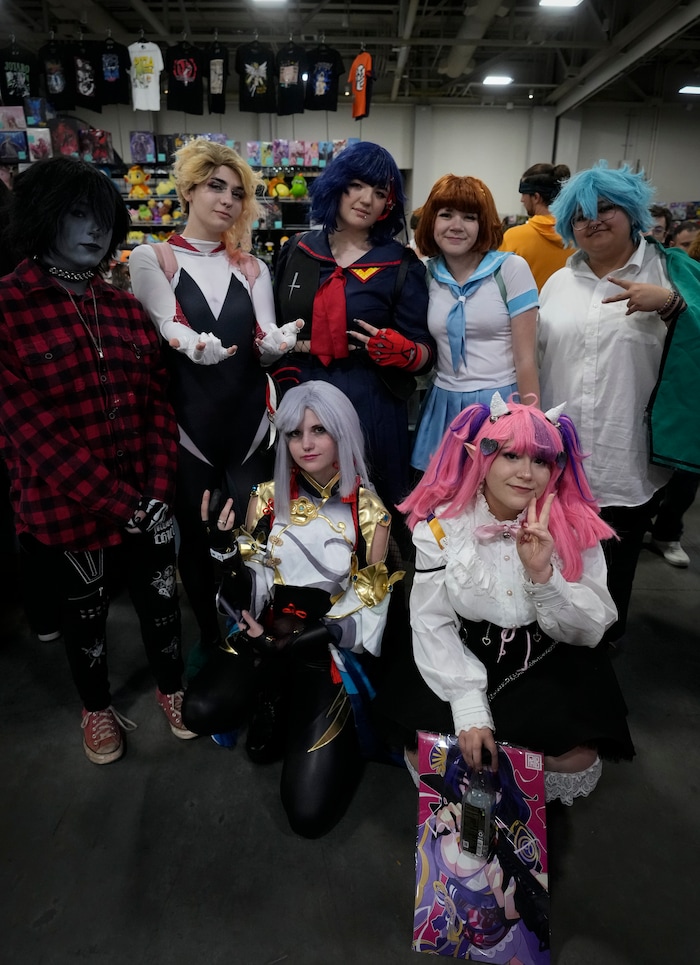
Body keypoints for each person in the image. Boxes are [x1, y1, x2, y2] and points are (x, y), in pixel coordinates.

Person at [0, 156, 195, 764]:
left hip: (147, 502)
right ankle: (95, 707)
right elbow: (33, 434)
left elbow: (159, 406)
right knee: (83, 623)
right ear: (43, 215)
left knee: (163, 605)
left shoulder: (124, 308)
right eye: (78, 214)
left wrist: (158, 489)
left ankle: (172, 689)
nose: (94, 231)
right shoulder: (8, 307)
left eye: (104, 217)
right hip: (67, 512)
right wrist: (126, 503)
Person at [182, 381, 402, 838]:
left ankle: (293, 700)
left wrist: (313, 636)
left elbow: (371, 596)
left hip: (324, 649)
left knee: (308, 813)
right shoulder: (264, 499)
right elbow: (250, 575)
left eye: (319, 430)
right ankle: (272, 697)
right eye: (294, 433)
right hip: (263, 633)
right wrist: (223, 551)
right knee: (198, 711)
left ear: (343, 434)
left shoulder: (370, 512)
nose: (305, 444)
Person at [397, 395, 634, 805]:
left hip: (546, 650)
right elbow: (431, 619)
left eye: (541, 461)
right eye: (511, 455)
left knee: (576, 757)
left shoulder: (574, 529)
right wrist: (469, 709)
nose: (527, 474)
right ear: (480, 456)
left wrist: (544, 577)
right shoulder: (442, 530)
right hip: (465, 649)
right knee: (425, 745)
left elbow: (591, 628)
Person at [130, 139, 301, 660]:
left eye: (236, 191)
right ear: (188, 189)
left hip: (250, 428)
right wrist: (189, 343)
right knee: (198, 542)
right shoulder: (152, 257)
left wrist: (274, 345)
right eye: (214, 186)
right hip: (189, 432)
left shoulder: (251, 267)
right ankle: (209, 637)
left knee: (256, 537)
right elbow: (165, 324)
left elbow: (266, 341)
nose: (226, 199)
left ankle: (255, 634)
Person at [539, 160, 700, 643]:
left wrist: (673, 306)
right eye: (581, 214)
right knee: (552, 564)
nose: (594, 220)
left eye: (607, 207)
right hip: (558, 460)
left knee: (612, 576)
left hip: (625, 462)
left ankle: (602, 656)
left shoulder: (675, 272)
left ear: (632, 212)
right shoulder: (557, 284)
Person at [273, 140, 434, 516]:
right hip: (301, 392)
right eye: (358, 185)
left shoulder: (400, 264)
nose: (366, 199)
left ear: (388, 205)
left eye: (380, 193)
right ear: (337, 185)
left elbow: (426, 353)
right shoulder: (297, 250)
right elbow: (272, 326)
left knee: (372, 507)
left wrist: (405, 352)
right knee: (303, 507)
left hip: (371, 397)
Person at [410, 174, 539, 474]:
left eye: (469, 217)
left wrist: (533, 423)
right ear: (431, 221)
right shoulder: (424, 275)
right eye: (446, 215)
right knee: (439, 508)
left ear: (483, 224)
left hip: (501, 405)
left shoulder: (510, 269)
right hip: (442, 404)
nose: (456, 225)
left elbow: (526, 359)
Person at [499, 162, 575, 290]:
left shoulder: (514, 237)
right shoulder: (577, 237)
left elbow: (498, 286)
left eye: (523, 194)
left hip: (524, 310)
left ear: (536, 197)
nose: (522, 200)